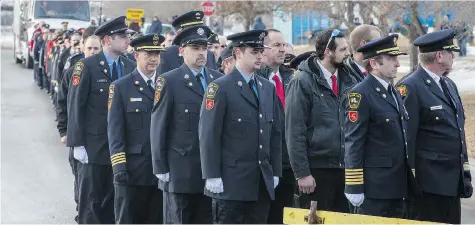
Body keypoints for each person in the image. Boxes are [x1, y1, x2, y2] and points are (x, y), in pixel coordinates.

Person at [199, 30, 282, 223]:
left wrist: (275, 171)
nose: (260, 56)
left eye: (262, 51)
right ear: (238, 53)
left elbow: (275, 134)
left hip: (260, 183)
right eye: (254, 51)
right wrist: (211, 174)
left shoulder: (267, 87)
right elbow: (208, 134)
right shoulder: (220, 88)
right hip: (231, 184)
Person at [397, 29, 473, 224]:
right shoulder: (410, 87)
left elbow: (457, 131)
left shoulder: (448, 84)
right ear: (439, 56)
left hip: (451, 181)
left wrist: (464, 174)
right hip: (428, 186)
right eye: (450, 52)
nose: (454, 56)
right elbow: (405, 140)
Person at [66, 16, 136, 224]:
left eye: (127, 36)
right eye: (122, 36)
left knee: (115, 204)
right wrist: (77, 143)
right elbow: (75, 106)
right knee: (91, 205)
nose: (127, 41)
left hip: (121, 148)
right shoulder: (86, 66)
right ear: (107, 39)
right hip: (93, 148)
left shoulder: (130, 66)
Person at [150, 25, 222, 224]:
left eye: (204, 48)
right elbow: (158, 126)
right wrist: (160, 166)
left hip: (211, 172)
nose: (201, 53)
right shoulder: (169, 81)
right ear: (181, 51)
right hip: (180, 171)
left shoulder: (218, 80)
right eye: (195, 48)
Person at [344, 34, 415, 218]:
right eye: (391, 59)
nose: (398, 64)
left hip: (397, 186)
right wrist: (354, 185)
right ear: (374, 64)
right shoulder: (360, 94)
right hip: (374, 190)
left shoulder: (392, 91)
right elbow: (354, 142)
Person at [285, 29, 356, 212]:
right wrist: (302, 173)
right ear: (327, 52)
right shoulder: (303, 81)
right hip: (316, 171)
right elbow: (295, 130)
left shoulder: (349, 80)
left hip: (344, 169)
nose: (347, 53)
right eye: (342, 49)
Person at [107, 34, 165, 224]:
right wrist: (119, 167)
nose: (154, 59)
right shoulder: (121, 87)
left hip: (161, 171)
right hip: (132, 171)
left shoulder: (167, 85)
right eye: (149, 54)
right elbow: (115, 132)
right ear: (136, 55)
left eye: (157, 54)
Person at [55, 28, 100, 223]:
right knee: (80, 177)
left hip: (97, 138)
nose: (93, 52)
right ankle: (80, 207)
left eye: (96, 48)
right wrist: (63, 130)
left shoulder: (106, 71)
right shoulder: (74, 69)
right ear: (82, 47)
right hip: (76, 135)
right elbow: (62, 103)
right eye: (89, 48)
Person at [254, 28, 294, 224]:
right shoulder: (256, 80)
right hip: (264, 162)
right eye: (277, 45)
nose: (283, 50)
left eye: (284, 45)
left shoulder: (291, 79)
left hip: (288, 161)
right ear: (263, 50)